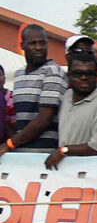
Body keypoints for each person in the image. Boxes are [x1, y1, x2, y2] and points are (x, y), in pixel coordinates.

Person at [44, 52, 97, 169]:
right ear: (69, 75)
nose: (84, 78)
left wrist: (64, 150)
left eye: (89, 74)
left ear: (96, 76)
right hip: (71, 169)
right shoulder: (65, 96)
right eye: (78, 73)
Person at [0, 25, 66, 156]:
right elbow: (19, 119)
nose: (38, 47)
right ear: (22, 46)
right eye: (32, 43)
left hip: (44, 154)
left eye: (42, 43)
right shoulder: (19, 74)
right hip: (21, 153)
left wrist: (9, 144)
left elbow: (44, 118)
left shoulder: (53, 72)